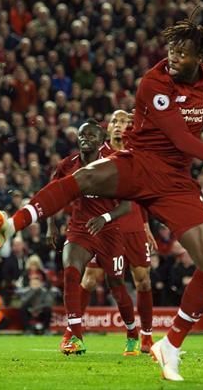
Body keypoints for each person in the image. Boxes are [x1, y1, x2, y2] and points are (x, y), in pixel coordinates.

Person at [0, 12, 203, 381]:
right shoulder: (154, 82)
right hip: (139, 165)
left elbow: (188, 138)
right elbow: (181, 139)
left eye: (182, 52)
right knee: (83, 177)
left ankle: (170, 344)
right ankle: (13, 224)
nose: (173, 56)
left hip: (176, 181)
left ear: (199, 58)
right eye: (171, 49)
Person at [65, 109, 158, 354]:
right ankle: (72, 333)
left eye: (125, 122)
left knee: (143, 280)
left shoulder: (138, 154)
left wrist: (147, 225)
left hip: (133, 222)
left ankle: (146, 336)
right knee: (90, 279)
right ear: (107, 128)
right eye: (115, 121)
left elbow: (143, 193)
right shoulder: (98, 154)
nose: (119, 125)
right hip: (104, 226)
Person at [45, 120, 138, 356]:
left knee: (116, 285)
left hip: (109, 231)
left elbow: (127, 205)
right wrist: (50, 224)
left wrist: (105, 218)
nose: (85, 138)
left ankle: (132, 333)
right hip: (80, 227)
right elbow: (52, 194)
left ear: (101, 139)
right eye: (81, 135)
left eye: (91, 135)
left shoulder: (115, 162)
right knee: (71, 271)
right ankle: (75, 336)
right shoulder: (68, 165)